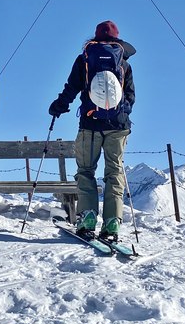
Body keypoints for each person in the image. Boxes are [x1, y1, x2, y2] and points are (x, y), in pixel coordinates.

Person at [48, 20, 136, 241]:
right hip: (118, 126)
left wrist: (59, 106)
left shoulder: (85, 59)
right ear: (117, 39)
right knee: (114, 173)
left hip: (90, 125)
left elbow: (71, 88)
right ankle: (112, 224)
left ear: (95, 37)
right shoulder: (124, 63)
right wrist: (121, 114)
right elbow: (131, 97)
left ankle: (87, 218)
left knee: (86, 171)